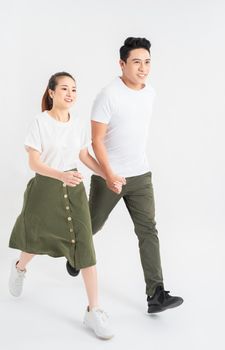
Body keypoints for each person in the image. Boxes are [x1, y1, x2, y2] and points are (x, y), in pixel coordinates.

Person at [66, 38, 184, 314]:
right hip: (110, 176)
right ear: (122, 64)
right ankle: (73, 255)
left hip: (141, 175)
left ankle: (156, 294)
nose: (143, 68)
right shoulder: (108, 95)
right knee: (91, 226)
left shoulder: (150, 92)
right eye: (136, 62)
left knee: (148, 231)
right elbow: (96, 141)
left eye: (147, 62)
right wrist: (109, 174)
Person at [8, 72, 116, 339]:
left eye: (74, 90)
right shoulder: (39, 122)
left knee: (85, 248)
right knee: (35, 239)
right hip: (45, 189)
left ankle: (94, 310)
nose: (70, 93)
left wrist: (107, 174)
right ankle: (20, 267)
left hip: (74, 190)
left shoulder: (78, 124)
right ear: (52, 92)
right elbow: (34, 163)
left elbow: (83, 156)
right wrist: (60, 176)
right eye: (65, 88)